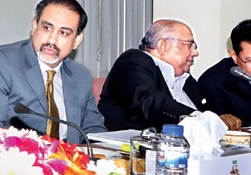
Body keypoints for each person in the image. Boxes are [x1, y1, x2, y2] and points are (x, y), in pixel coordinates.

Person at [0, 0, 105, 143]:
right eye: (47, 28)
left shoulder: (80, 76)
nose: (52, 40)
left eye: (63, 33)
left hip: (71, 161)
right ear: (34, 27)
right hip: (16, 160)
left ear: (77, 40)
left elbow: (94, 131)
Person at [99, 19, 240, 131]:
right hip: (132, 152)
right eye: (190, 45)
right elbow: (148, 100)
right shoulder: (134, 60)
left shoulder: (187, 80)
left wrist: (219, 121)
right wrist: (199, 119)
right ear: (163, 46)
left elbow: (205, 113)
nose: (195, 52)